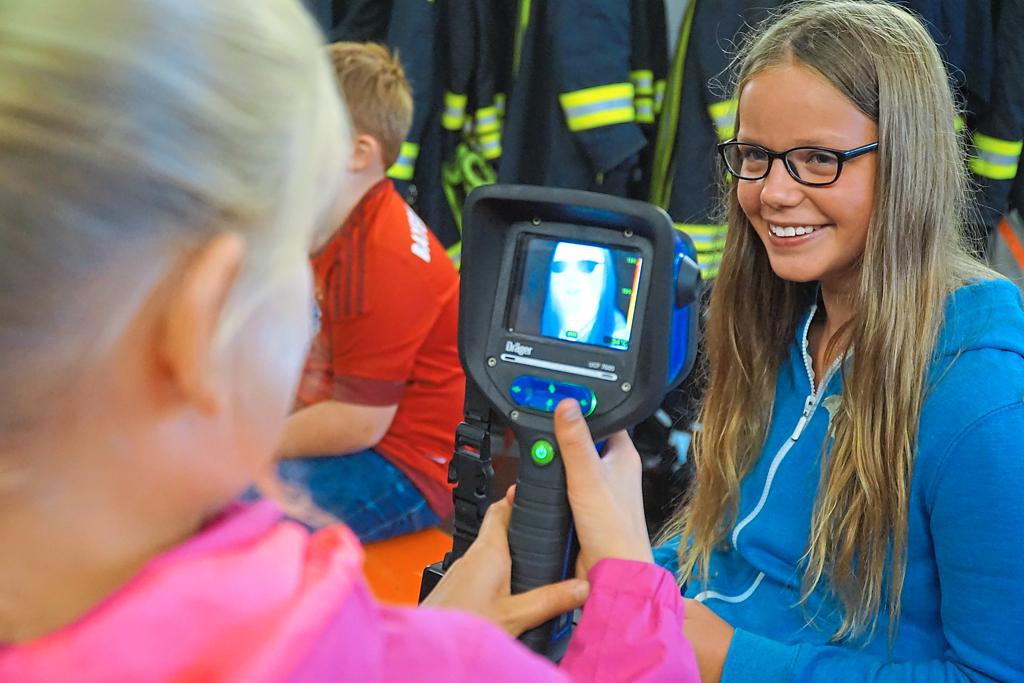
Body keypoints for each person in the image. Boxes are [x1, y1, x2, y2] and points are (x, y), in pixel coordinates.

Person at [0, 1, 704, 680]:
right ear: (200, 324)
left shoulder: (386, 254)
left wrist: (427, 640)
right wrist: (626, 593)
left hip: (406, 462)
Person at [657, 1, 1024, 681]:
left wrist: (730, 659)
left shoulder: (985, 397)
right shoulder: (786, 318)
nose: (772, 192)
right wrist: (625, 580)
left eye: (819, 159)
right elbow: (724, 543)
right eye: (755, 156)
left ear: (907, 162)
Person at [273, 42, 464, 542]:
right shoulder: (328, 223)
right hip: (347, 427)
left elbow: (359, 424)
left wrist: (240, 443)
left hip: (401, 465)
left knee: (224, 512)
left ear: (358, 153)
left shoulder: (381, 256)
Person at [541, 242, 630, 347]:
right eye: (560, 266)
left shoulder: (618, 336)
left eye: (586, 266)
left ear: (606, 273)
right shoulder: (535, 323)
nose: (570, 277)